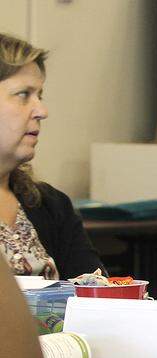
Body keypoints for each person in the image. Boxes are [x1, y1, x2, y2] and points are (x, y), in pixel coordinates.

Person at [0, 33, 102, 280]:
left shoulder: (51, 206)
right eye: (24, 94)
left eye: (40, 96)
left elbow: (97, 299)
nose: (42, 111)